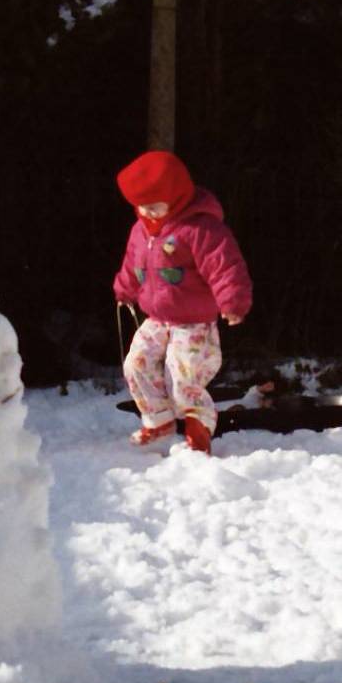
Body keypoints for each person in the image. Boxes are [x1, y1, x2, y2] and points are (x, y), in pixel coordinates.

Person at [112, 150, 253, 455]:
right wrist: (124, 288)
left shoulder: (201, 229)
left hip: (193, 322)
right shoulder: (140, 230)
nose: (147, 213)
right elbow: (132, 264)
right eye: (141, 207)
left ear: (176, 197)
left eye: (155, 206)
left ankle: (198, 426)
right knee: (135, 364)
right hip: (157, 318)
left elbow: (225, 266)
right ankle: (158, 420)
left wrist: (233, 302)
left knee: (183, 372)